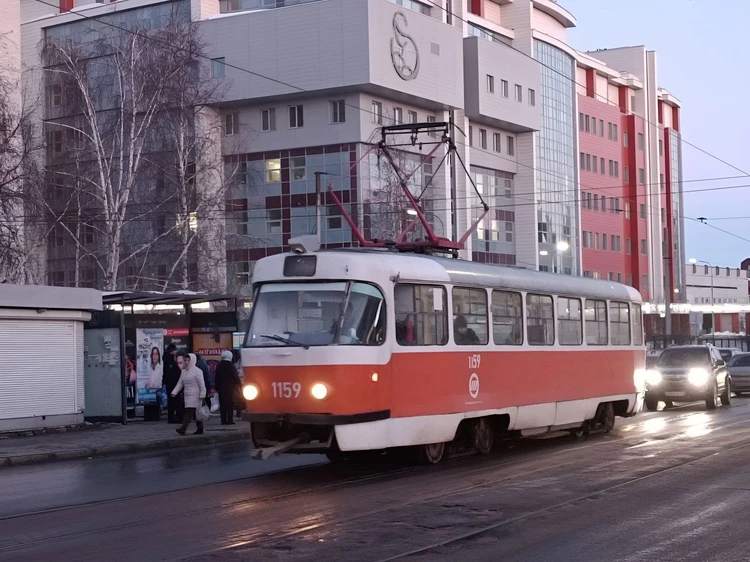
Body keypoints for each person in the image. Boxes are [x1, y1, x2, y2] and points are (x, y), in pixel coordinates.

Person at [172, 352, 207, 435]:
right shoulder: (184, 371)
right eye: (185, 360)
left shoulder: (198, 371)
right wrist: (174, 392)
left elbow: (202, 384)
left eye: (188, 360)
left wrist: (202, 394)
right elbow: (180, 383)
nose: (187, 361)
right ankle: (200, 428)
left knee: (189, 412)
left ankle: (183, 429)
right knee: (196, 413)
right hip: (187, 395)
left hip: (196, 395)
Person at [215, 350, 241, 425]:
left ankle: (223, 420)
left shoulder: (219, 366)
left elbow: (217, 377)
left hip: (221, 388)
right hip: (230, 388)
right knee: (230, 405)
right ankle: (230, 420)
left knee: (222, 405)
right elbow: (236, 377)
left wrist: (217, 387)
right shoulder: (231, 365)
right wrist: (239, 385)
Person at [163, 344, 183, 423]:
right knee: (175, 401)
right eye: (174, 350)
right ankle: (175, 417)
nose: (176, 351)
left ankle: (173, 417)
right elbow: (170, 373)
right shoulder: (169, 361)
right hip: (173, 384)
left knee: (173, 401)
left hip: (171, 384)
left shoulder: (170, 359)